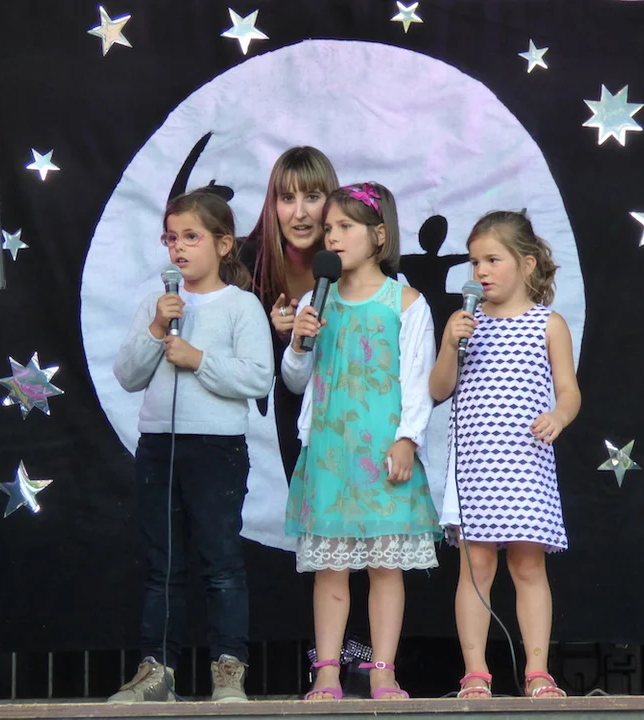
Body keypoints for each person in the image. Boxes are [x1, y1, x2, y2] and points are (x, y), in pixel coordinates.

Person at [110, 190, 274, 704]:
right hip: (159, 445)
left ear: (223, 244)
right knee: (163, 564)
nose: (178, 248)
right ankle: (157, 670)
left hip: (216, 449)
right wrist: (157, 328)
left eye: (191, 236)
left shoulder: (241, 305)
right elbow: (128, 376)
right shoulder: (156, 305)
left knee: (221, 563)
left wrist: (198, 358)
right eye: (171, 238)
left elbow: (258, 377)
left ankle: (228, 668)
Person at [283, 182, 439, 701]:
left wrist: (408, 439)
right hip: (331, 452)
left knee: (385, 567)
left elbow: (417, 380)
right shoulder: (316, 300)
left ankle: (382, 671)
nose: (332, 236)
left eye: (345, 227)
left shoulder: (406, 302)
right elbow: (296, 380)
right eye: (328, 228)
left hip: (383, 453)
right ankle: (327, 672)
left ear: (379, 235)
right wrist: (298, 342)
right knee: (331, 568)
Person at [429, 210, 581, 700]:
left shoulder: (547, 324)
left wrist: (559, 416)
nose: (481, 271)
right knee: (476, 567)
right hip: (475, 463)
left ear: (527, 263)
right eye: (475, 262)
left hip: (525, 462)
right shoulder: (466, 324)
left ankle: (538, 672)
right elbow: (439, 389)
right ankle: (475, 672)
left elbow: (569, 390)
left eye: (493, 260)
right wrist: (450, 344)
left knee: (528, 566)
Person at [243, 147, 340, 480]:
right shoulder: (249, 261)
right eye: (287, 198)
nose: (299, 213)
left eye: (312, 197)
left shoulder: (356, 252)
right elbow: (242, 359)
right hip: (293, 401)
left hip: (354, 398)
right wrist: (280, 335)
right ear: (274, 205)